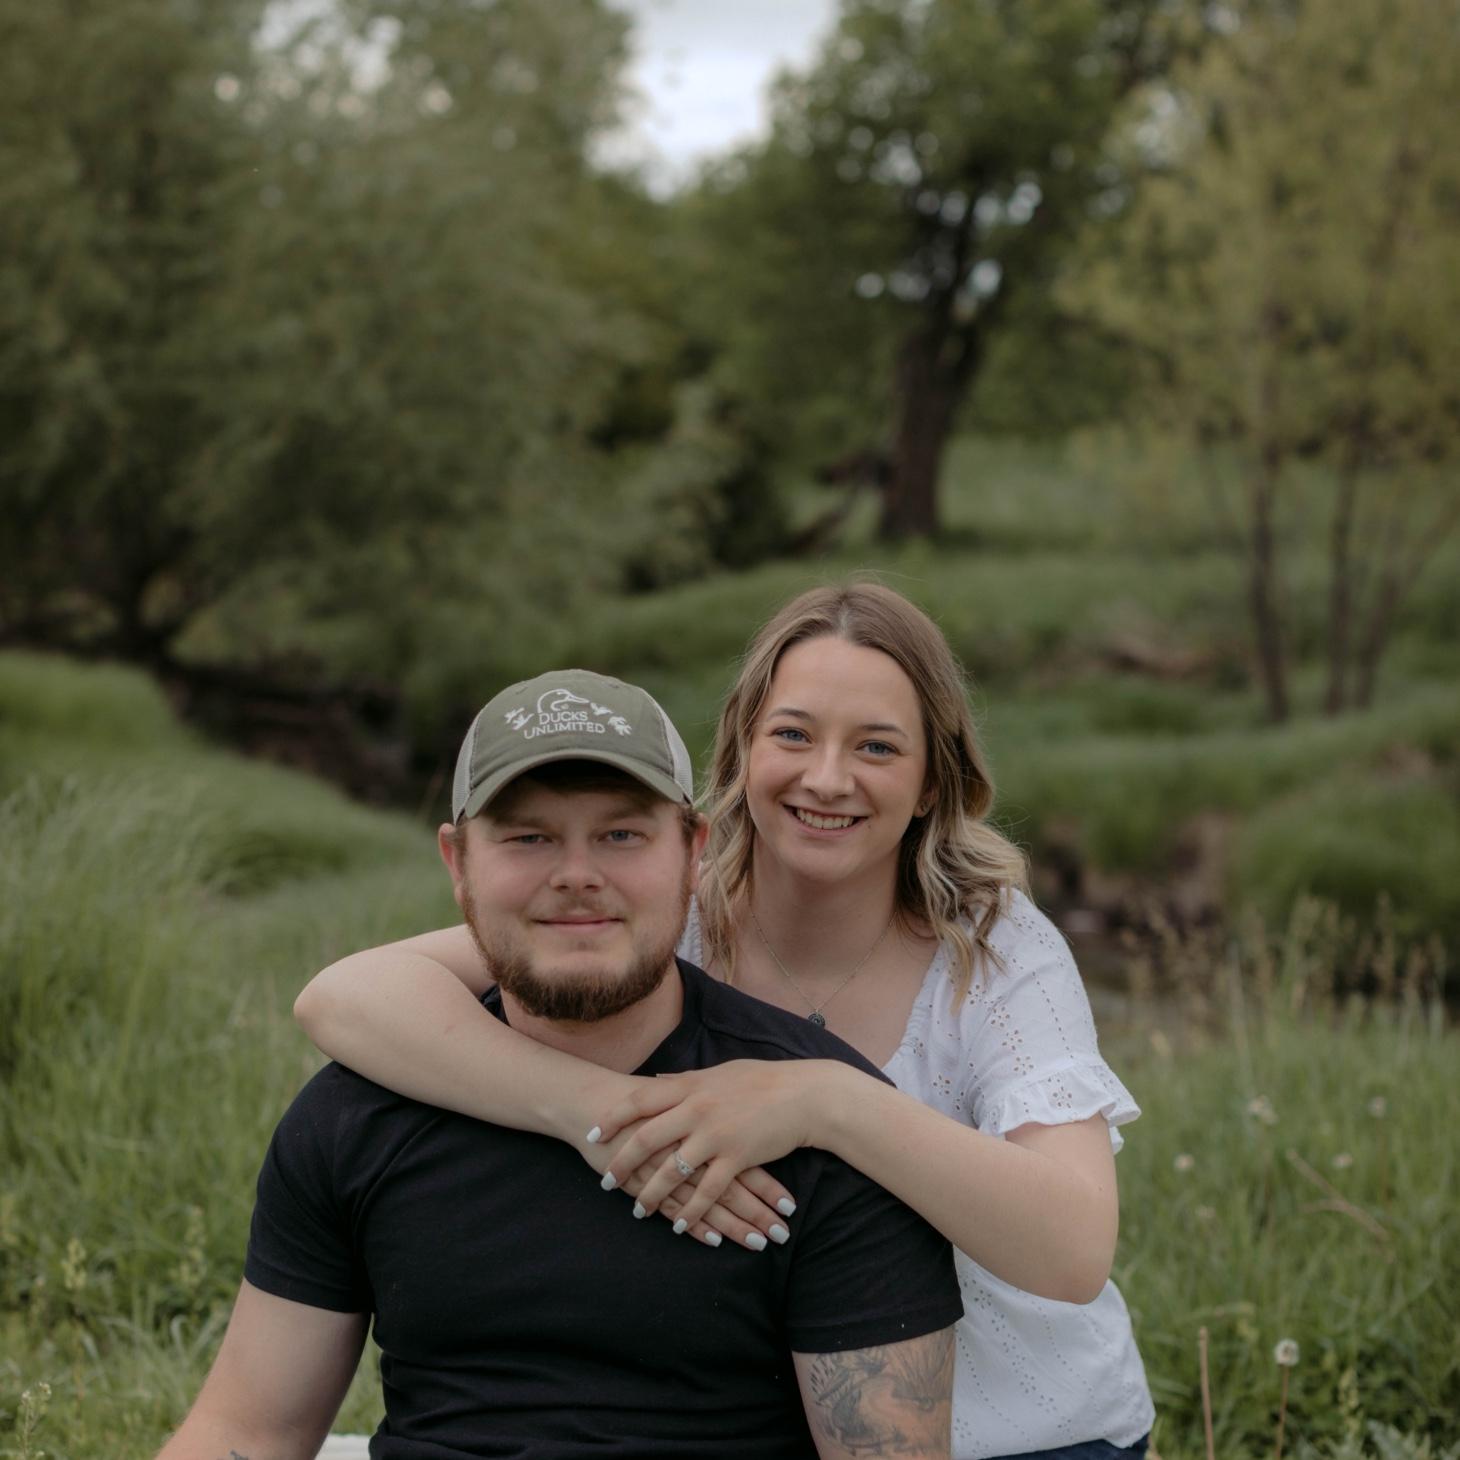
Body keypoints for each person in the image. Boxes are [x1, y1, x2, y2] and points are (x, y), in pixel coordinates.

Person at [297, 585, 1157, 1460]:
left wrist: (826, 1100)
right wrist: (589, 1110)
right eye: (793, 735)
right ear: (743, 748)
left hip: (1028, 1436)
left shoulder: (993, 950)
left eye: (877, 746)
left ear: (932, 780)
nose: (827, 778)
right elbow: (345, 998)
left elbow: (1072, 1250)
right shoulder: (666, 916)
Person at [159, 669, 962, 1460]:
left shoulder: (814, 1130)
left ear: (693, 852)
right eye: (529, 837)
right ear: (457, 863)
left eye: (621, 835)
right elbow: (248, 1432)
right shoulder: (355, 1118)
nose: (577, 875)